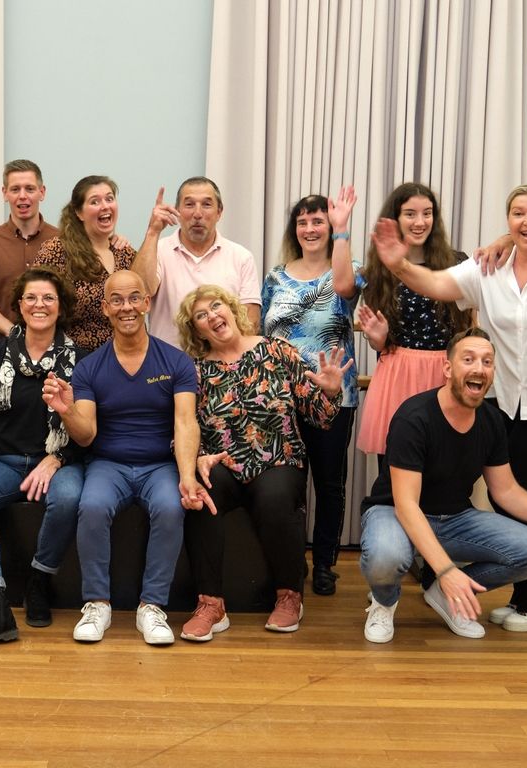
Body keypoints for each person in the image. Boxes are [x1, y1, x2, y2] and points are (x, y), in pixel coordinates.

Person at [370, 184, 527, 632]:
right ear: (507, 219)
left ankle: (524, 593)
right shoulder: (488, 266)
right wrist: (398, 264)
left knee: (510, 487)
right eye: (518, 214)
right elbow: (437, 284)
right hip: (508, 400)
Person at [359, 328, 527, 644]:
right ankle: (384, 601)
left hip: (454, 518)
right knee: (385, 557)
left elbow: (506, 490)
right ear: (448, 369)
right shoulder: (415, 417)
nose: (479, 367)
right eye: (468, 359)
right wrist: (447, 570)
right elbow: (407, 505)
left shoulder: (490, 421)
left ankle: (446, 596)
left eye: (487, 361)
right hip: (394, 512)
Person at [42, 270, 212, 646]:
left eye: (134, 297)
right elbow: (86, 435)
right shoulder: (89, 367)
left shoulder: (176, 361)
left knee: (171, 507)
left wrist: (187, 476)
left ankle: (151, 606)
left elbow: (186, 422)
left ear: (147, 302)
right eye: (116, 300)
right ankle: (97, 604)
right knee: (92, 505)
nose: (126, 307)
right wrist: (66, 410)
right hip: (108, 464)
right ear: (105, 308)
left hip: (159, 465)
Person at [175, 285, 352, 641]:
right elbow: (182, 425)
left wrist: (332, 392)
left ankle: (289, 595)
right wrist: (199, 458)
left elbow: (320, 417)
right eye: (201, 316)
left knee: (274, 498)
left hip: (278, 458)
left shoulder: (277, 350)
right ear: (197, 331)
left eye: (216, 306)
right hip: (223, 463)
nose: (212, 316)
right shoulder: (195, 371)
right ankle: (210, 604)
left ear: (232, 309)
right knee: (201, 496)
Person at [0, 268, 86, 649]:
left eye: (48, 298)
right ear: (19, 306)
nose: (39, 305)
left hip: (59, 461)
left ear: (61, 307)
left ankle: (38, 581)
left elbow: (89, 430)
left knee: (69, 497)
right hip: (4, 462)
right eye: (31, 298)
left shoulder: (82, 359)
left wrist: (56, 459)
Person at [260, 187, 362, 596]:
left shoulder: (348, 268)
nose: (310, 228)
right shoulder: (275, 277)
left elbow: (344, 288)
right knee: (285, 486)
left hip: (335, 397)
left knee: (329, 484)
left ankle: (323, 564)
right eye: (303, 222)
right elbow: (260, 333)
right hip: (281, 401)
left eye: (318, 220)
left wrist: (342, 229)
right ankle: (289, 563)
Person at [355, 183, 472, 465]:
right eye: (410, 214)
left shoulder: (458, 263)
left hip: (444, 373)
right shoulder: (377, 271)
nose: (420, 222)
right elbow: (380, 343)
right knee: (395, 467)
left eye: (427, 213)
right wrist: (378, 338)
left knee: (445, 464)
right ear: (395, 218)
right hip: (397, 374)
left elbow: (469, 328)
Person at [31, 175, 156, 350]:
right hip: (76, 358)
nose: (105, 206)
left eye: (109, 199)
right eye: (95, 202)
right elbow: (35, 303)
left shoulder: (125, 252)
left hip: (129, 355)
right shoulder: (57, 251)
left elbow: (147, 291)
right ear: (79, 212)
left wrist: (153, 231)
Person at [146, 176, 262, 346]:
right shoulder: (157, 250)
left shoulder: (241, 257)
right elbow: (142, 292)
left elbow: (250, 322)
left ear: (219, 212)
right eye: (189, 204)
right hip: (166, 360)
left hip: (223, 361)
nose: (197, 214)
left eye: (206, 205)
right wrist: (152, 232)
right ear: (177, 210)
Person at [0, 159, 60, 340]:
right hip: (2, 346)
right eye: (15, 189)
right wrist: (12, 331)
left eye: (29, 189)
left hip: (55, 348)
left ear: (42, 192)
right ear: (5, 193)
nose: (22, 196)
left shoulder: (64, 241)